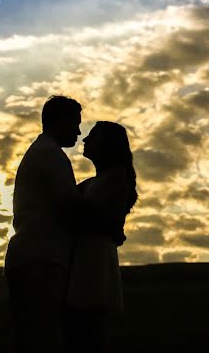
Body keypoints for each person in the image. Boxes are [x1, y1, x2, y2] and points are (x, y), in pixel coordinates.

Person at [4, 95, 125, 353]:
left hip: (36, 255)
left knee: (34, 336)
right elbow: (71, 206)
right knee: (42, 339)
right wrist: (110, 228)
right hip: (41, 257)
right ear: (61, 121)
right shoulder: (51, 156)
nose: (79, 132)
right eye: (76, 123)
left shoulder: (43, 153)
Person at [65, 121, 138, 353]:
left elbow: (104, 220)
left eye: (93, 136)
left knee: (89, 330)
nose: (85, 140)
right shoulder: (96, 181)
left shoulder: (115, 177)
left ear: (108, 144)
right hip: (88, 256)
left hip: (94, 257)